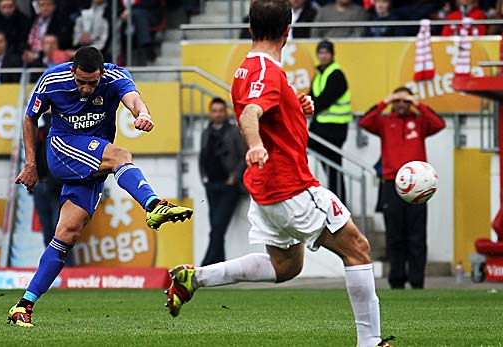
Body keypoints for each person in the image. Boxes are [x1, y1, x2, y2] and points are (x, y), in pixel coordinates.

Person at [164, 2, 394, 346]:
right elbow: (250, 115)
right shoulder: (267, 72)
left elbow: (262, 107)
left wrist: (294, 106)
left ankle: (193, 278)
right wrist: (255, 145)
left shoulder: (247, 68)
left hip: (266, 189)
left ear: (250, 28)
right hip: (291, 184)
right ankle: (370, 342)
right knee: (358, 249)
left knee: (286, 266)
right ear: (289, 31)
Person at [7, 46, 193, 327]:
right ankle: (153, 205)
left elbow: (133, 99)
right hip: (63, 148)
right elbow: (30, 117)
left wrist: (143, 114)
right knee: (120, 156)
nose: (85, 88)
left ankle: (23, 305)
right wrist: (31, 163)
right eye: (80, 81)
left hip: (91, 164)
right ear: (72, 71)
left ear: (102, 73)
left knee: (67, 233)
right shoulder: (52, 80)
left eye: (91, 83)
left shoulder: (116, 78)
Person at [358, 87, 445, 289]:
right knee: (394, 236)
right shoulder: (385, 121)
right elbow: (364, 121)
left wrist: (418, 103)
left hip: (419, 188)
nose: (401, 105)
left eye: (405, 101)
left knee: (417, 236)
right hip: (392, 185)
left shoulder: (421, 121)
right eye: (398, 101)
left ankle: (417, 281)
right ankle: (396, 280)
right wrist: (385, 100)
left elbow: (439, 123)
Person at [199, 97, 246, 266]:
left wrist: (234, 178)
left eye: (220, 111)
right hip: (211, 185)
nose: (217, 114)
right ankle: (219, 264)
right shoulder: (206, 132)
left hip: (229, 187)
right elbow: (202, 156)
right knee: (215, 227)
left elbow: (243, 156)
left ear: (225, 113)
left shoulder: (233, 132)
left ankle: (206, 264)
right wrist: (204, 178)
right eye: (214, 111)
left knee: (218, 226)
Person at [307, 40, 352, 206]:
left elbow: (324, 100)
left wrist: (309, 106)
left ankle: (340, 203)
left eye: (326, 52)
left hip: (334, 129)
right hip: (321, 127)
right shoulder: (320, 74)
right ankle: (337, 202)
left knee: (334, 168)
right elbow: (311, 97)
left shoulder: (336, 74)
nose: (323, 55)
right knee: (331, 167)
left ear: (332, 55)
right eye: (321, 52)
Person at [33, 112, 63, 249]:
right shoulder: (39, 133)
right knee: (49, 232)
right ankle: (51, 266)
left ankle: (65, 267)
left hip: (58, 187)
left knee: (61, 232)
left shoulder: (64, 130)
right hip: (43, 186)